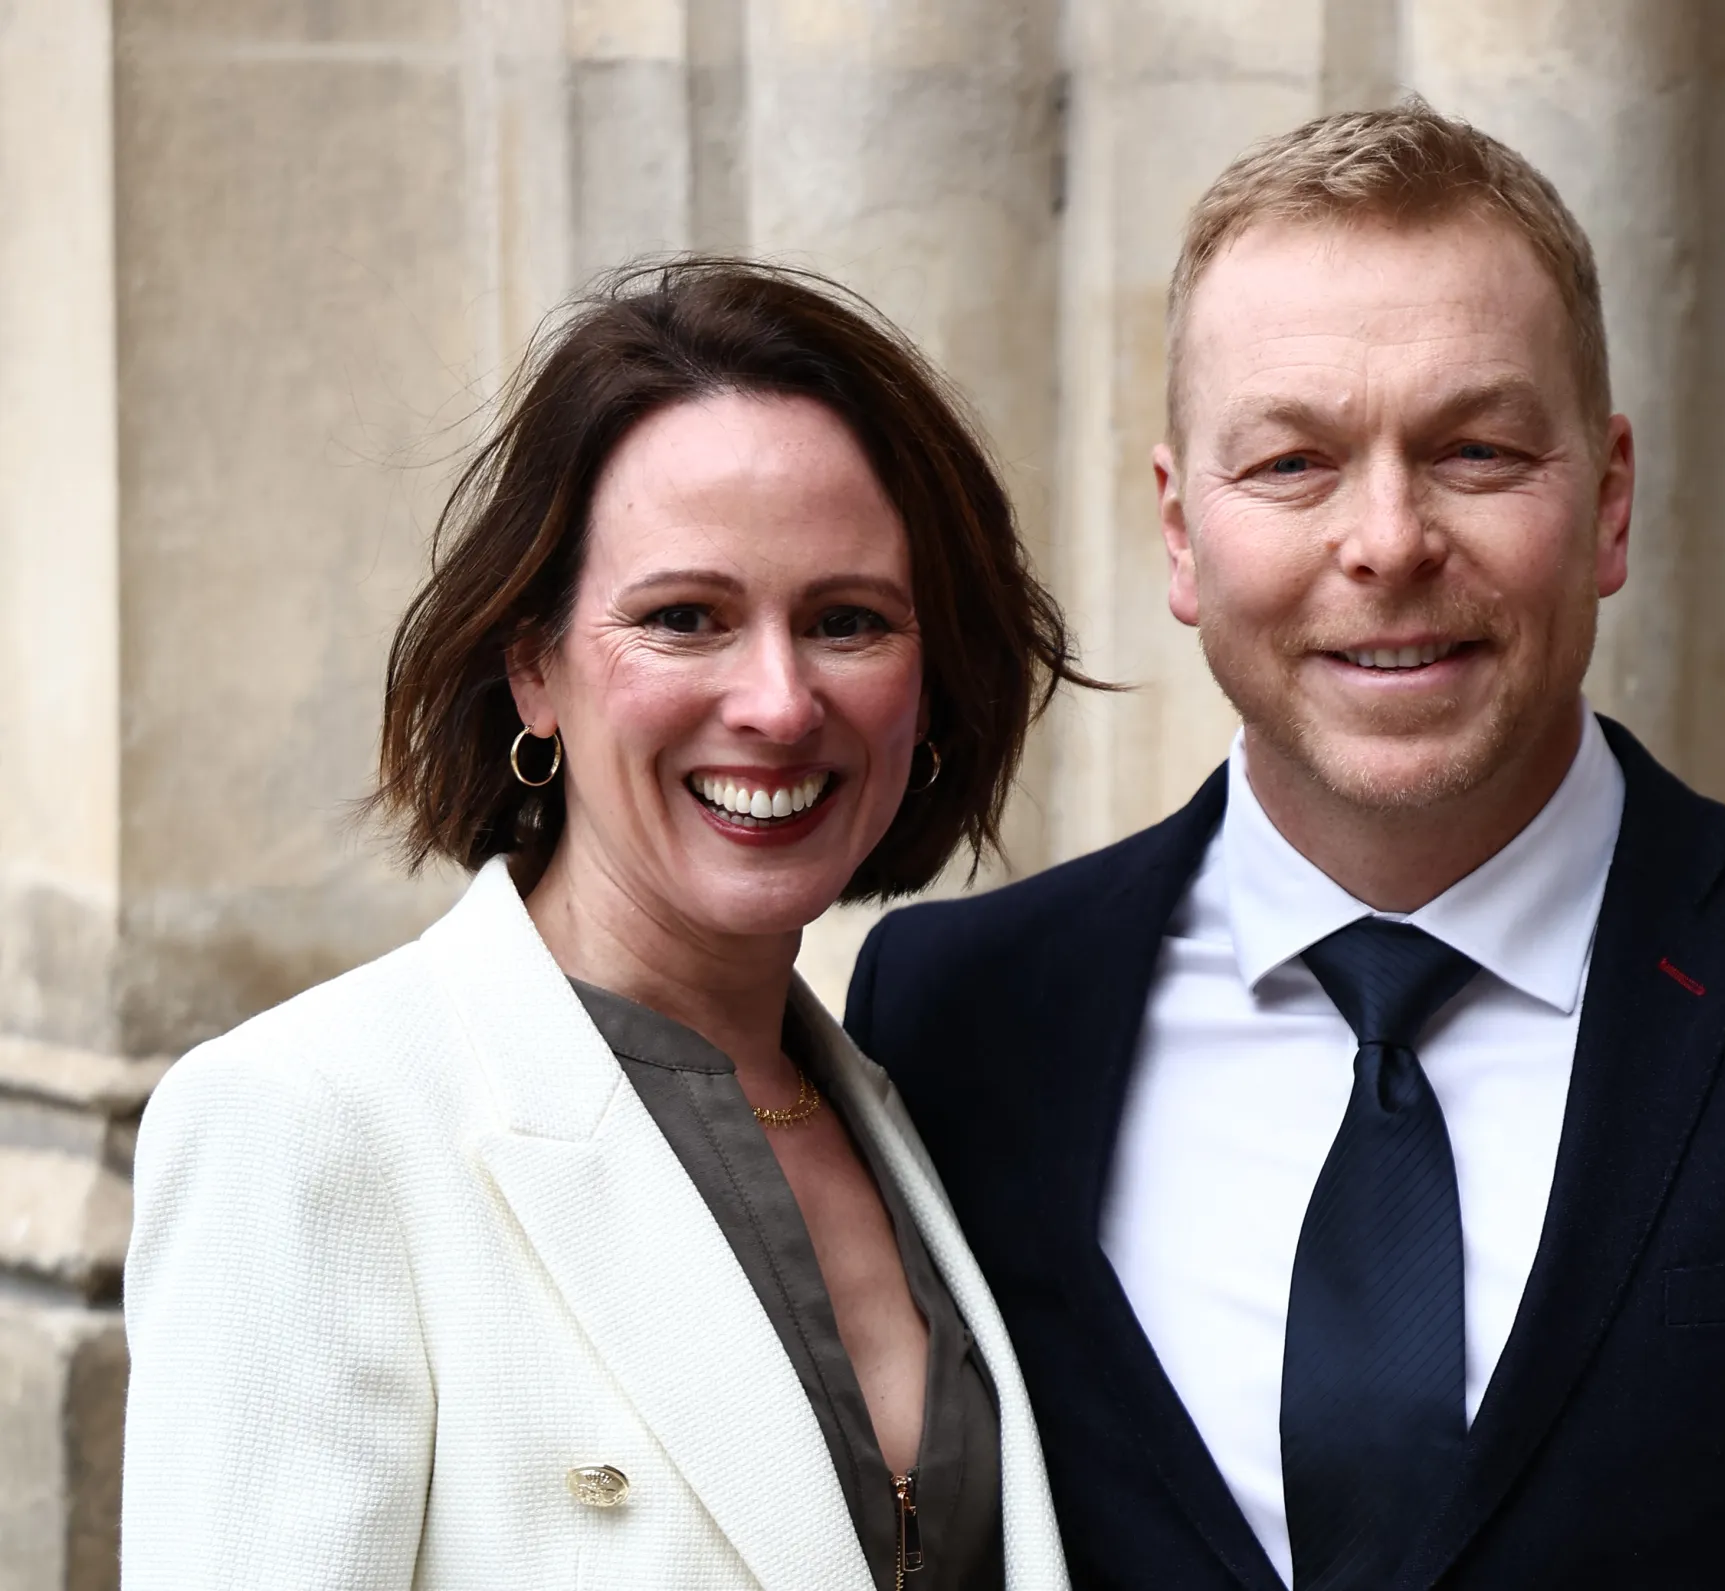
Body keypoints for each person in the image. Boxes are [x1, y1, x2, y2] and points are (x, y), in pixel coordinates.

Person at [844, 104, 1725, 1589]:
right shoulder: (958, 1017)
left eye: (1476, 451)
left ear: (1608, 500)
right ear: (1180, 531)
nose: (1388, 540)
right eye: (1292, 463)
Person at [121, 259, 1084, 1590]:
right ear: (534, 666)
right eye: (684, 618)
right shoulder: (307, 1124)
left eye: (847, 621)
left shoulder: (902, 1106)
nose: (779, 702)